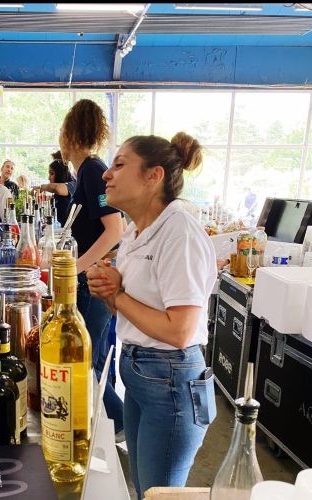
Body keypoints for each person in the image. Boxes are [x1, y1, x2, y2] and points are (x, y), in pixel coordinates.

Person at [87, 133, 217, 497]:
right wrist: (107, 291)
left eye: (119, 164)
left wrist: (118, 293)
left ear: (153, 176)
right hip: (139, 371)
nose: (106, 175)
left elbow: (179, 330)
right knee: (143, 487)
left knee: (159, 494)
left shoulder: (178, 231)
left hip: (171, 380)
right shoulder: (135, 232)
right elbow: (130, 312)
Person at [59, 99, 125, 436]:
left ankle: (118, 421)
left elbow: (115, 229)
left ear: (68, 135)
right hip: (90, 276)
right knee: (93, 360)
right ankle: (111, 425)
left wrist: (76, 269)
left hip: (90, 281)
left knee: (85, 363)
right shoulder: (87, 172)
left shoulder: (94, 172)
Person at [35, 150, 76, 227]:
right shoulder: (57, 194)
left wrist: (41, 187)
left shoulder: (71, 184)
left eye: (52, 173)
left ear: (60, 173)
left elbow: (56, 188)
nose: (49, 177)